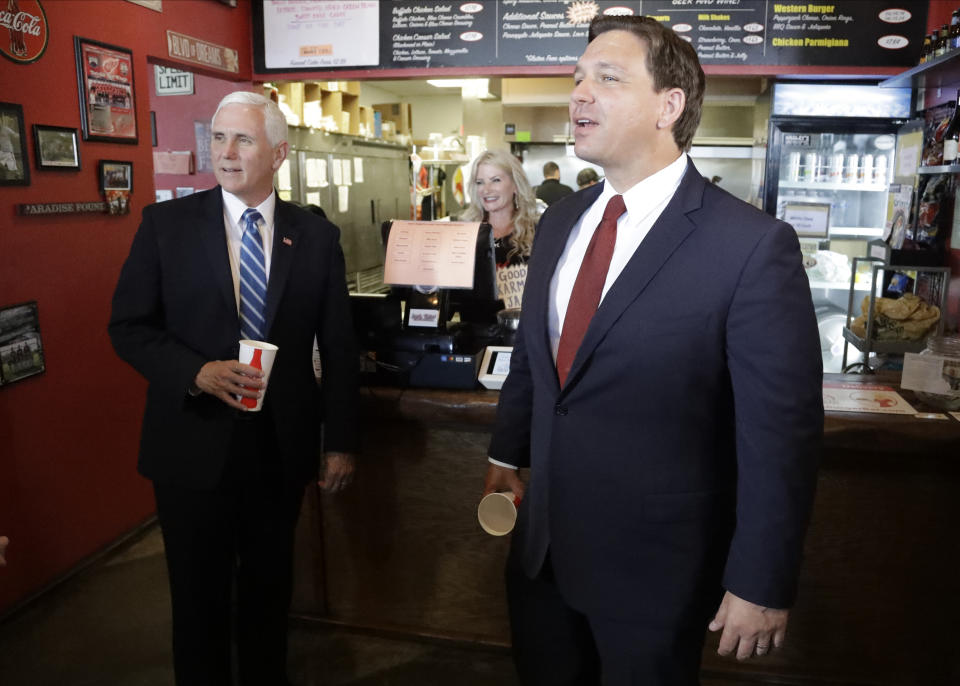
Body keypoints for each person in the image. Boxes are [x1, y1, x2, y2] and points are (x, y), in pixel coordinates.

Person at [482, 15, 822, 685]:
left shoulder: (750, 247)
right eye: (577, 78)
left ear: (669, 105)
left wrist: (762, 581)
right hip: (542, 555)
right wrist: (505, 455)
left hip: (657, 574)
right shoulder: (558, 222)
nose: (579, 94)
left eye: (607, 79)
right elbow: (534, 358)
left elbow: (780, 436)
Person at [108, 91, 358, 686]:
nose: (225, 152)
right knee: (198, 603)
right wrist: (195, 371)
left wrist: (340, 441)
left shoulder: (316, 238)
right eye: (217, 138)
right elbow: (128, 327)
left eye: (243, 140)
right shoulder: (165, 225)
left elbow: (341, 348)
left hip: (278, 451)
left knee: (269, 598)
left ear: (278, 153)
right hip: (190, 448)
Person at [461, 149, 539, 268]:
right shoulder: (465, 232)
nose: (486, 190)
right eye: (480, 182)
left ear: (516, 185)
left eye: (495, 180)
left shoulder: (537, 231)